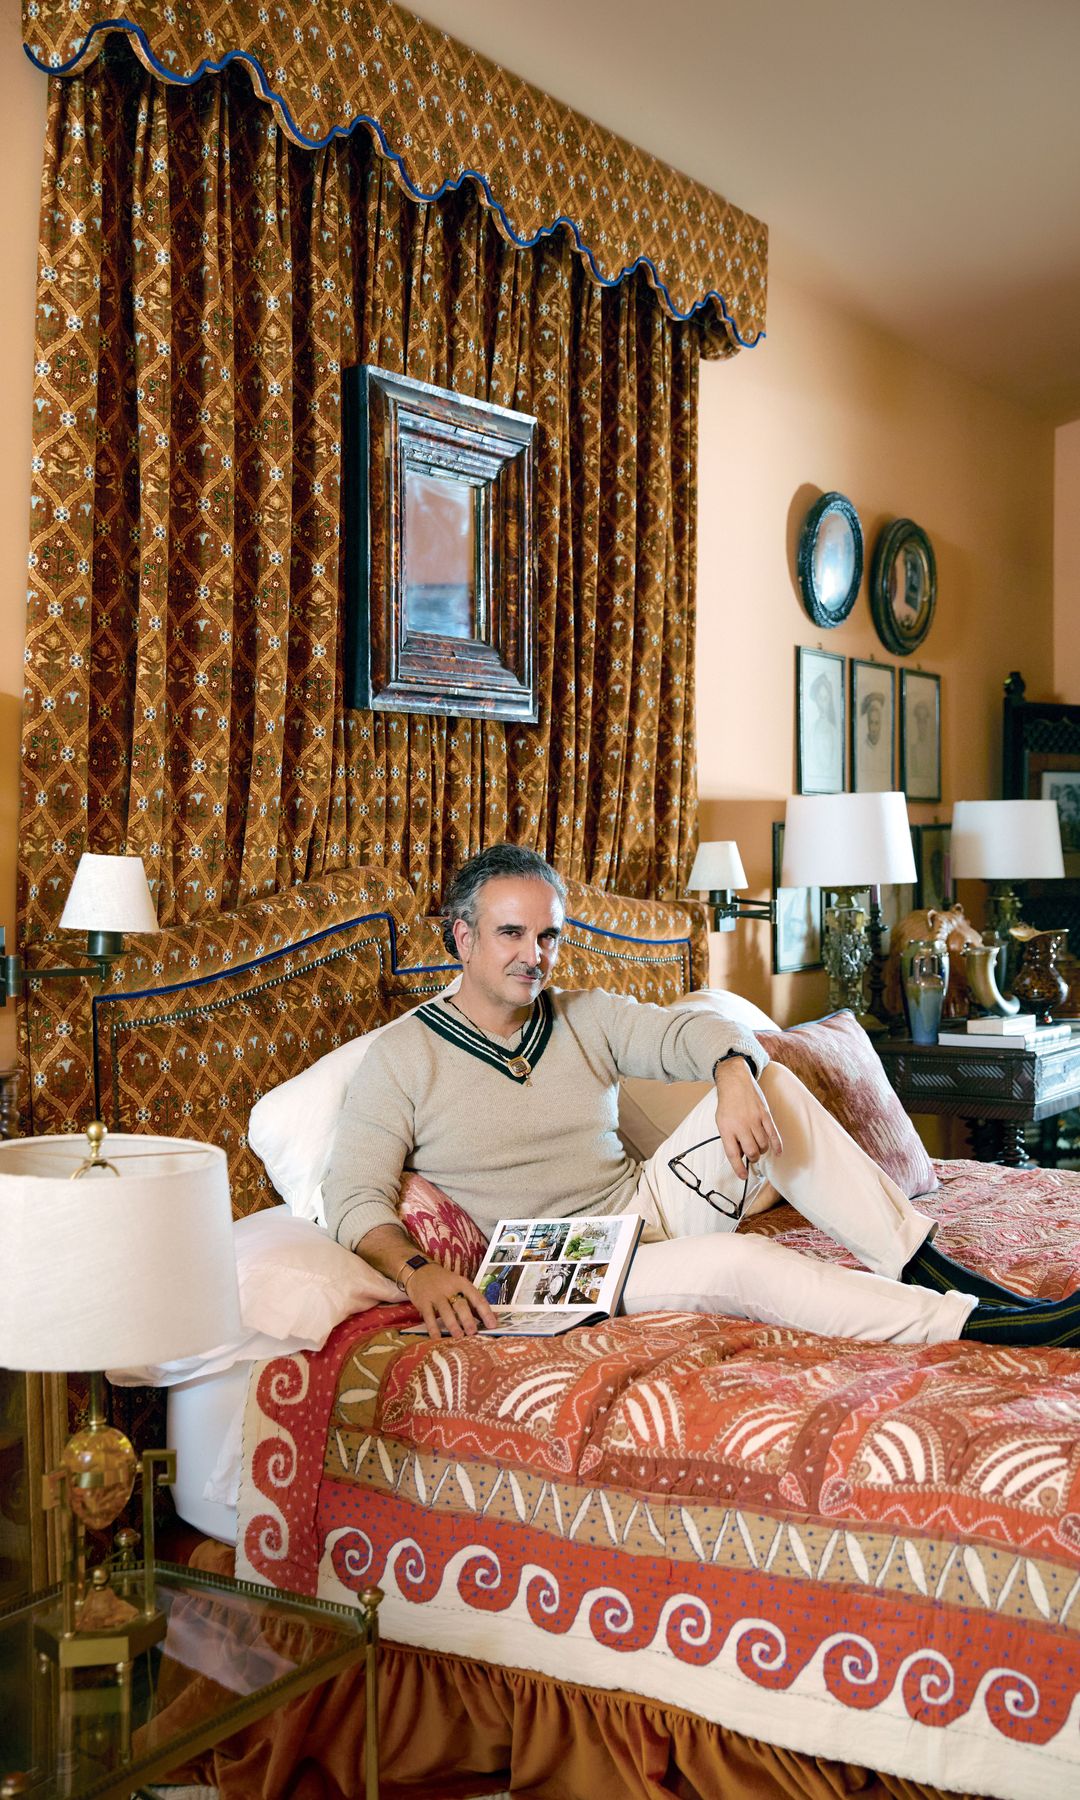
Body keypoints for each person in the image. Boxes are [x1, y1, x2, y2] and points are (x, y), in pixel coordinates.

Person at [324, 844, 1080, 1349]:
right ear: (461, 939)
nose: (535, 956)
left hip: (650, 1203)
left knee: (770, 1082)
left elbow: (693, 1034)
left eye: (549, 936)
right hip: (567, 1262)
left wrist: (731, 1073)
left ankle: (917, 1259)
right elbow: (353, 1197)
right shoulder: (402, 1057)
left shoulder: (584, 1013)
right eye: (511, 935)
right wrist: (418, 1271)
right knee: (738, 1266)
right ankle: (967, 1325)